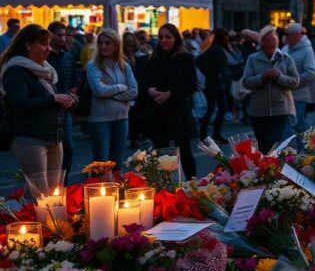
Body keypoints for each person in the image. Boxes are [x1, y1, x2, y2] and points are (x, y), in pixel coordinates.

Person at [0, 25, 76, 175]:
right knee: (39, 192)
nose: (48, 48)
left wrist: (68, 101)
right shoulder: (16, 70)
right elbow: (20, 103)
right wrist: (54, 99)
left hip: (54, 137)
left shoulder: (45, 69)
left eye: (49, 43)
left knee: (54, 192)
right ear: (28, 45)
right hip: (30, 139)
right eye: (43, 44)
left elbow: (51, 100)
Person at [139, 24, 198, 178]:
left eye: (168, 37)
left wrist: (170, 93)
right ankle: (165, 187)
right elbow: (143, 81)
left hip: (178, 110)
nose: (164, 40)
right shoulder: (153, 58)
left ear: (175, 38)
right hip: (158, 110)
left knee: (184, 151)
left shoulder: (185, 58)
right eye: (160, 37)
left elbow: (191, 85)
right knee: (161, 152)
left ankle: (193, 185)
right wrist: (148, 90)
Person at [241, 26, 300, 153]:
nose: (271, 43)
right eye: (267, 41)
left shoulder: (286, 58)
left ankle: (277, 170)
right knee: (263, 146)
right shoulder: (253, 59)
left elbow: (295, 81)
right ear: (261, 43)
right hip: (259, 111)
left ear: (278, 40)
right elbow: (246, 82)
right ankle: (265, 171)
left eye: (273, 39)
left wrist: (279, 77)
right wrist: (263, 77)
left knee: (275, 144)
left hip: (281, 109)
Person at [86, 29, 138, 169]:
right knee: (101, 162)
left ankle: (115, 189)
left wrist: (110, 90)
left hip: (122, 118)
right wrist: (121, 87)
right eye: (101, 43)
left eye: (107, 43)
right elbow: (99, 91)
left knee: (116, 160)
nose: (103, 46)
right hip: (100, 119)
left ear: (116, 45)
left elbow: (133, 91)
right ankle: (97, 188)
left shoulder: (124, 66)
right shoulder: (93, 66)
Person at [46, 23, 78, 174]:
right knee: (52, 151)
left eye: (64, 35)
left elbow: (73, 80)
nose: (63, 38)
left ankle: (63, 184)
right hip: (48, 108)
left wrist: (72, 94)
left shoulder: (68, 57)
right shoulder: (44, 58)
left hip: (65, 110)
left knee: (68, 149)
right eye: (59, 35)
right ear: (50, 35)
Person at [281, 23, 315, 136]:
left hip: (300, 94)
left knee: (292, 123)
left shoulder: (307, 50)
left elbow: (311, 72)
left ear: (297, 35)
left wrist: (293, 82)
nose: (285, 36)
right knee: (299, 124)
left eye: (287, 34)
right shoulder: (285, 48)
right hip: (286, 92)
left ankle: (307, 145)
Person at [196, 28, 232, 144]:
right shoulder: (215, 48)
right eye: (226, 36)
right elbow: (199, 60)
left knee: (219, 109)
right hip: (213, 84)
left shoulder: (218, 48)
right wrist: (212, 74)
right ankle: (205, 135)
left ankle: (211, 134)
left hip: (218, 83)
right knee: (213, 109)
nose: (228, 39)